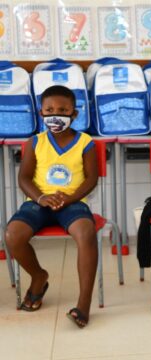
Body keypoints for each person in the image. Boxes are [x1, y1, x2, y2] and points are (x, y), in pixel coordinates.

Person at [5, 85, 98, 328]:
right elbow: (24, 178)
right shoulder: (34, 142)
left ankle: (84, 303)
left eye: (63, 110)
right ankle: (38, 276)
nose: (55, 114)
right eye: (49, 110)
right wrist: (40, 198)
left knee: (86, 233)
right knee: (12, 235)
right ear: (41, 113)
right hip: (38, 202)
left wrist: (70, 198)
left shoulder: (86, 142)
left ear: (74, 114)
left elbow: (91, 179)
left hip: (73, 202)